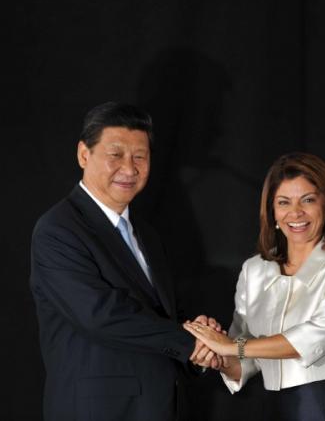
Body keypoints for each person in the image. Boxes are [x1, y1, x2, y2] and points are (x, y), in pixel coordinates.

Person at [30, 102, 220, 421]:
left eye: (140, 157)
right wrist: (192, 342)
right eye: (115, 154)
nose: (129, 169)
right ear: (83, 154)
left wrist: (202, 334)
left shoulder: (145, 233)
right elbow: (102, 315)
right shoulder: (57, 230)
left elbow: (164, 312)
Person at [183, 152, 325, 420]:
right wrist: (215, 353)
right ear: (272, 212)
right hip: (274, 409)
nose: (295, 212)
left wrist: (230, 347)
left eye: (308, 200)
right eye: (284, 202)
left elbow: (316, 336)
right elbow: (244, 361)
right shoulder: (254, 269)